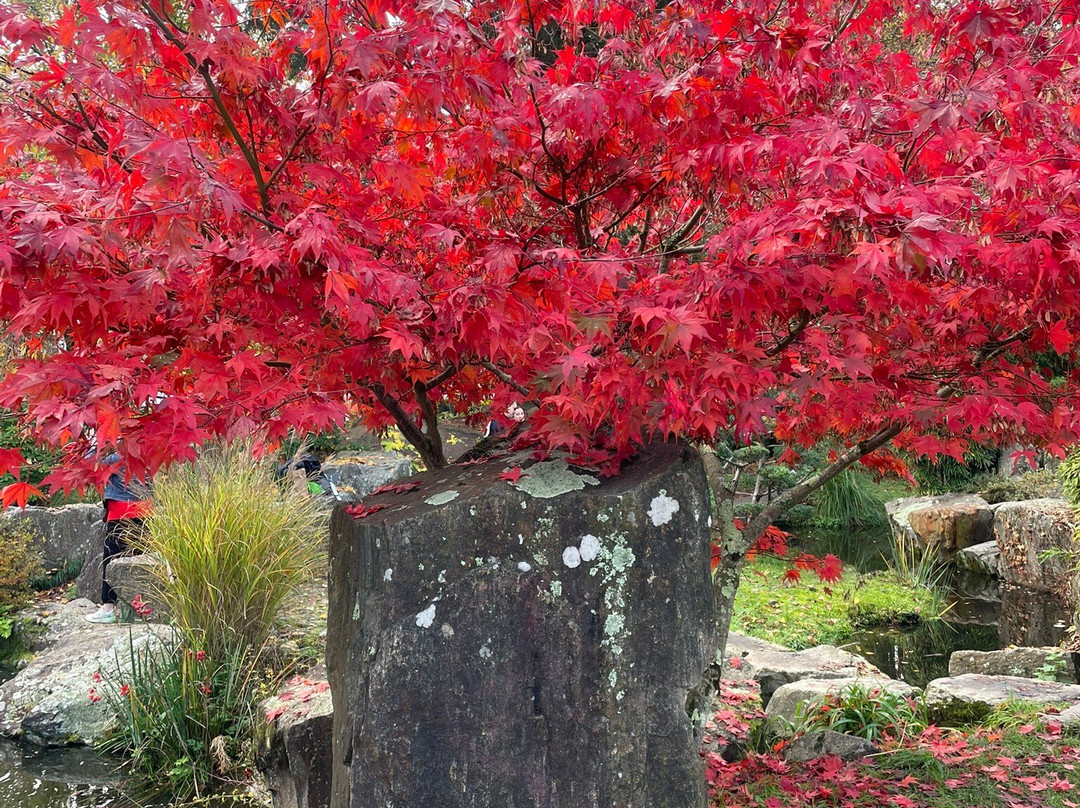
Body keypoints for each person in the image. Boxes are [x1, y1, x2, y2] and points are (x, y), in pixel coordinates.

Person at [85, 454, 153, 624]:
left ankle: (108, 608)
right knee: (141, 559)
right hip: (146, 507)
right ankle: (142, 608)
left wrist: (92, 446)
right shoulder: (147, 440)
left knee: (111, 558)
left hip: (121, 508)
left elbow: (92, 462)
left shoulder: (115, 447)